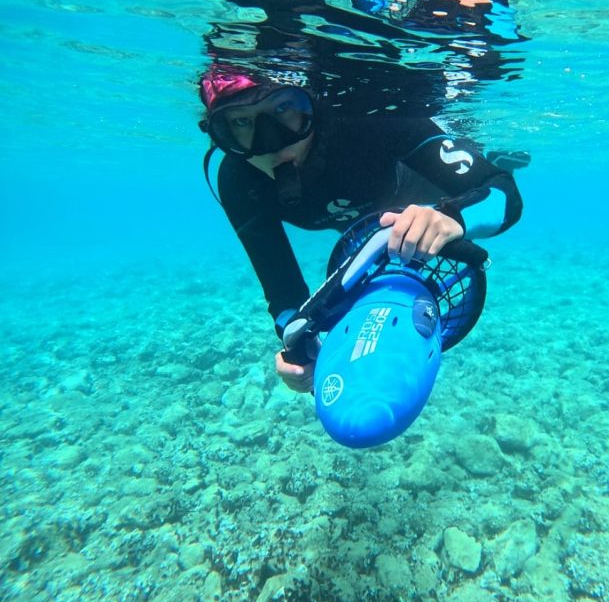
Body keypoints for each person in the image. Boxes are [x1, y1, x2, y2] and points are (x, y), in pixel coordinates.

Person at [199, 65, 523, 394]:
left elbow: (500, 191)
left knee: (469, 173)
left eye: (283, 108)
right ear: (222, 135)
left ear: (310, 106)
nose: (270, 141)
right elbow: (282, 292)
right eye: (241, 121)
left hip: (422, 193)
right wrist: (297, 345)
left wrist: (452, 216)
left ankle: (486, 152)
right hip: (364, 222)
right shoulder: (239, 180)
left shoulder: (370, 121)